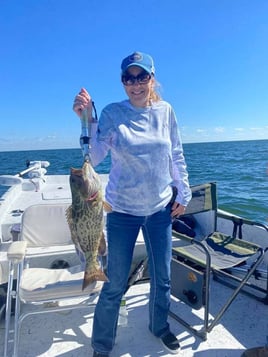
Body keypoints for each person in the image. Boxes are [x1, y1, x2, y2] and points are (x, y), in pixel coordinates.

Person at [73, 51, 192, 357]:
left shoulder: (166, 111)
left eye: (142, 77)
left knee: (162, 277)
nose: (136, 84)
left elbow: (175, 154)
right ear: (123, 81)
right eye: (129, 78)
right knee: (114, 282)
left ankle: (159, 327)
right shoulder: (113, 113)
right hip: (122, 211)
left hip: (159, 208)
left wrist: (183, 191)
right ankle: (102, 344)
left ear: (152, 78)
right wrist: (86, 120)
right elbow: (95, 156)